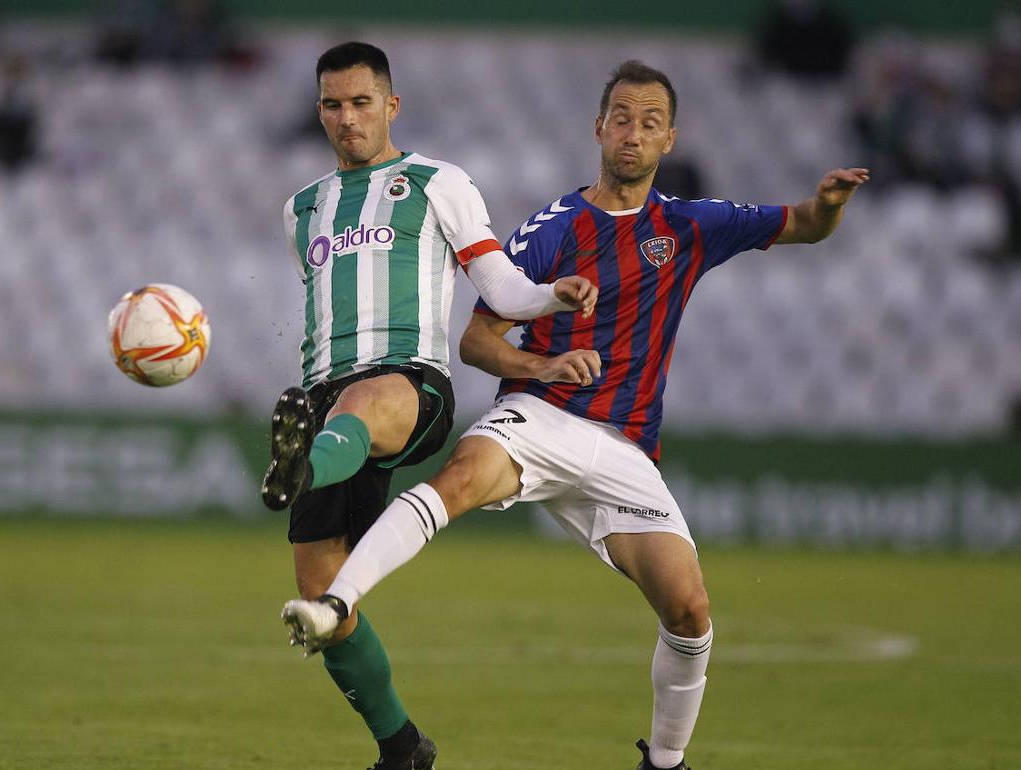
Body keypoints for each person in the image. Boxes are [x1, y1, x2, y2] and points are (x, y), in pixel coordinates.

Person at [281, 59, 869, 770]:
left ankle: (667, 761)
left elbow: (805, 223)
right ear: (599, 127)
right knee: (459, 480)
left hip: (625, 450)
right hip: (539, 415)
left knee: (689, 612)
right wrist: (543, 366)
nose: (633, 133)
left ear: (669, 140)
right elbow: (476, 341)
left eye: (650, 122)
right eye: (621, 117)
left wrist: (830, 204)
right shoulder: (553, 229)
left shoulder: (691, 225)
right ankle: (340, 601)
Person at [265, 41, 597, 770]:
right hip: (327, 399)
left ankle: (299, 469)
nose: (346, 118)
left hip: (409, 385)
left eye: (360, 102)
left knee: (362, 398)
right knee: (321, 601)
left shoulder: (436, 181)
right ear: (317, 111)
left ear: (392, 105)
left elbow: (501, 287)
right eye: (331, 104)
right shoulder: (303, 210)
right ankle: (402, 748)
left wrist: (548, 296)